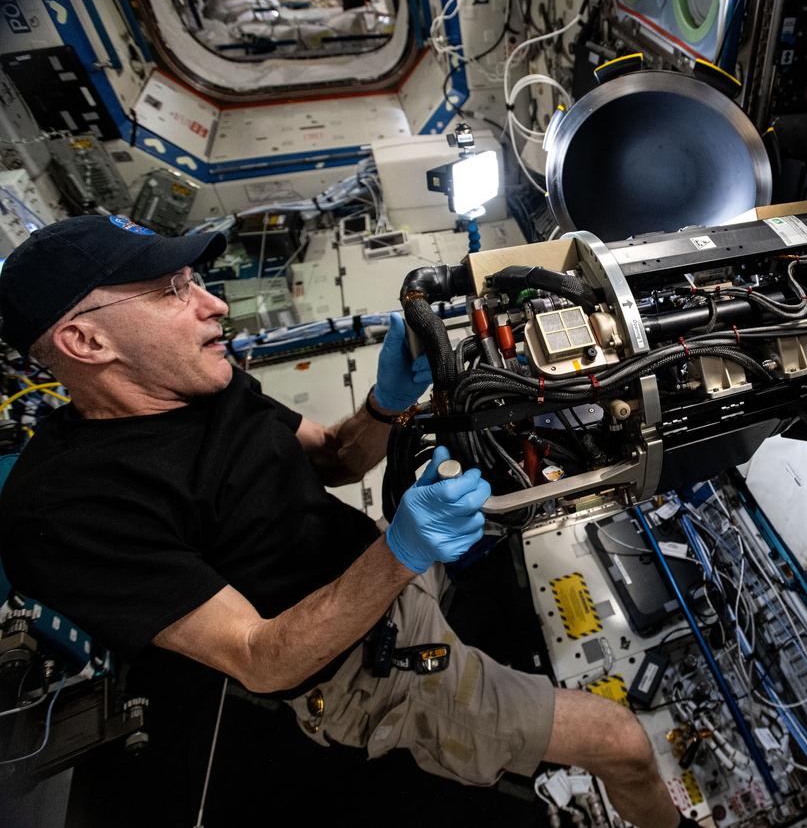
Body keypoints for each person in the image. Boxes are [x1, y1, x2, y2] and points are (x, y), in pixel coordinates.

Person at [0, 216, 693, 828]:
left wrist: (387, 403)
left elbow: (332, 456)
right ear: (85, 340)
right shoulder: (62, 510)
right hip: (357, 669)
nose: (214, 305)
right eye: (175, 289)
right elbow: (260, 658)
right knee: (622, 743)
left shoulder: (202, 380)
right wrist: (401, 550)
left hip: (386, 575)